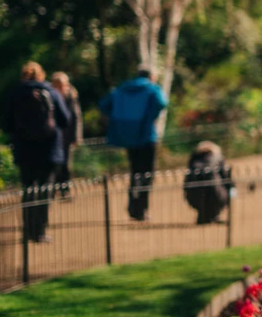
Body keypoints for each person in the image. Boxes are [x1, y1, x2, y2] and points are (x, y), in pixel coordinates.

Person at [5, 62, 71, 243]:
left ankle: (28, 229)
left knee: (28, 190)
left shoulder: (15, 94)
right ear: (42, 75)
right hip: (49, 150)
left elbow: (7, 123)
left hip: (25, 150)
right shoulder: (52, 93)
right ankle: (40, 231)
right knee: (45, 190)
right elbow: (65, 120)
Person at [99, 67, 168, 221]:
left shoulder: (122, 88)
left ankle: (132, 207)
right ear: (151, 76)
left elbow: (104, 104)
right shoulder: (151, 88)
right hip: (146, 135)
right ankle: (142, 208)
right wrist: (149, 117)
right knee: (147, 174)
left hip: (127, 137)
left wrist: (120, 120)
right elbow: (161, 102)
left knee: (135, 172)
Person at [49, 72, 83, 198]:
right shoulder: (49, 96)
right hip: (54, 137)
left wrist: (76, 137)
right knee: (55, 164)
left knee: (65, 164)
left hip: (67, 136)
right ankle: (53, 189)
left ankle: (65, 189)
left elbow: (76, 118)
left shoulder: (71, 97)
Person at [183, 141, 234, 225]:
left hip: (193, 197)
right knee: (223, 190)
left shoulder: (193, 160)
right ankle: (212, 214)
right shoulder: (218, 158)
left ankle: (205, 214)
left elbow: (186, 183)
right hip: (217, 196)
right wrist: (231, 190)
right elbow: (226, 178)